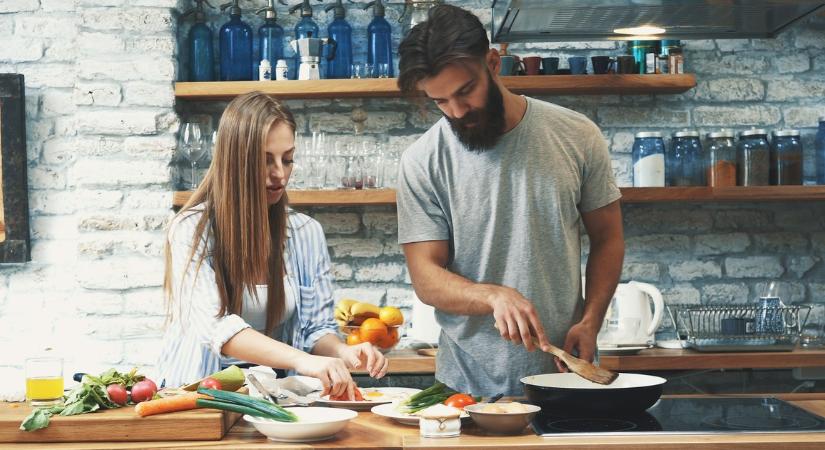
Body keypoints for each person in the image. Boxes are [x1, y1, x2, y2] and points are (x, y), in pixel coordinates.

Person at [395, 5, 625, 396]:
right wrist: (493, 295)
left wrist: (591, 320)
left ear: (493, 63)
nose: (457, 111)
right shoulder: (422, 160)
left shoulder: (577, 135)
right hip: (464, 386)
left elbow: (608, 239)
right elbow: (426, 278)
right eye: (440, 101)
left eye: (465, 91)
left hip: (566, 374)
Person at [158, 92, 387, 399]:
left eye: (287, 159)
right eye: (265, 161)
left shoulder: (306, 232)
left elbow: (315, 330)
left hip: (276, 400)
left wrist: (342, 352)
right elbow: (218, 330)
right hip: (200, 399)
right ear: (233, 162)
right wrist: (304, 361)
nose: (280, 174)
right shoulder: (190, 229)